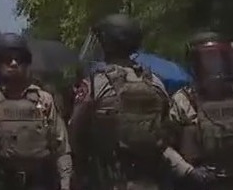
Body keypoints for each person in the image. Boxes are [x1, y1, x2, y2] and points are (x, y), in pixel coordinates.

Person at [68, 14, 205, 189]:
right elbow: (164, 139)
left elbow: (75, 132)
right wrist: (188, 171)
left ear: (108, 44)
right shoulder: (154, 82)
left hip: (108, 181)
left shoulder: (95, 84)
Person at [0, 32, 71, 190]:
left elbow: (61, 148)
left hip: (39, 183)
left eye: (19, 59)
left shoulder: (43, 100)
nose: (14, 63)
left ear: (26, 63)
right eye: (7, 58)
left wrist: (65, 183)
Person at [169, 31, 230, 185]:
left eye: (217, 58)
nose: (214, 66)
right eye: (207, 59)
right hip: (201, 182)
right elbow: (163, 145)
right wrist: (188, 171)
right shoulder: (183, 100)